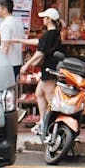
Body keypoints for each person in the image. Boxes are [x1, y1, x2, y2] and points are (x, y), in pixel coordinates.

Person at [16, 8, 62, 136]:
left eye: (44, 17)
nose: (43, 19)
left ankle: (53, 124)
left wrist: (26, 64)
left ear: (49, 19)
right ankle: (44, 121)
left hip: (49, 69)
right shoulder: (53, 33)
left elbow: (40, 51)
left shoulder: (50, 34)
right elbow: (39, 43)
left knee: (50, 96)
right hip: (49, 68)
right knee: (39, 93)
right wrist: (21, 41)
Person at [0, 0, 25, 79]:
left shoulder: (5, 24)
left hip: (9, 62)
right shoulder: (18, 22)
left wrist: (1, 62)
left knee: (5, 88)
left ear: (4, 9)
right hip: (17, 61)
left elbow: (5, 45)